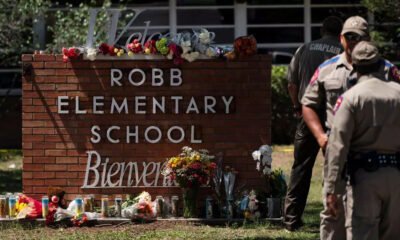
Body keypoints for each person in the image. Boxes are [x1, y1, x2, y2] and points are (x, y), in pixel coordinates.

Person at [301, 16, 400, 240]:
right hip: (337, 151)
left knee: (375, 222)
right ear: (341, 38)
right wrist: (320, 137)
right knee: (333, 212)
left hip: (373, 156)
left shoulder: (387, 69)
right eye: (349, 36)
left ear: (369, 40)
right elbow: (308, 104)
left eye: (359, 37)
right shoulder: (327, 69)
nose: (354, 41)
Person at [325, 41, 400, 240]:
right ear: (379, 64)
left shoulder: (351, 98)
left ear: (355, 67)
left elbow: (338, 146)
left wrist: (332, 190)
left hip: (365, 179)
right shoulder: (398, 93)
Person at [284, 16, 343, 231]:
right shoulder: (344, 53)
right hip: (336, 116)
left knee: (300, 167)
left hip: (308, 116)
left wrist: (298, 107)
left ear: (321, 30)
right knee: (339, 168)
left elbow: (291, 84)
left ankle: (291, 219)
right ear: (341, 33)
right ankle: (340, 218)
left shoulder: (303, 50)